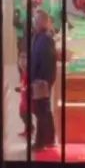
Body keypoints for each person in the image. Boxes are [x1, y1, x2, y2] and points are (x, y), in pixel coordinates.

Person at [30, 9, 56, 150]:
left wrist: (43, 81)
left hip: (41, 81)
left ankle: (41, 142)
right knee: (44, 109)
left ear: (42, 22)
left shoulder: (45, 39)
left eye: (36, 19)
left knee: (41, 110)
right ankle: (49, 139)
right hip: (40, 80)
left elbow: (46, 62)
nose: (34, 22)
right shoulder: (39, 37)